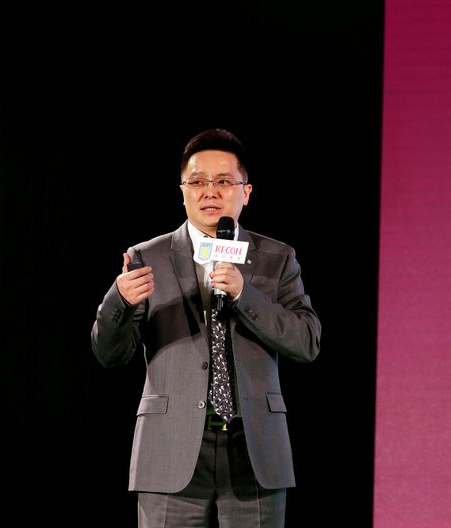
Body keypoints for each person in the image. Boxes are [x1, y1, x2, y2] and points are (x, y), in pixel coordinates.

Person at [91, 128, 321, 527]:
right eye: (197, 182)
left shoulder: (276, 258)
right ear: (182, 191)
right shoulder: (149, 256)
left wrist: (245, 295)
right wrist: (119, 302)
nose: (209, 192)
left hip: (254, 452)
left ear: (246, 192)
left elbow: (306, 342)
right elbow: (110, 354)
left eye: (223, 182)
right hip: (171, 449)